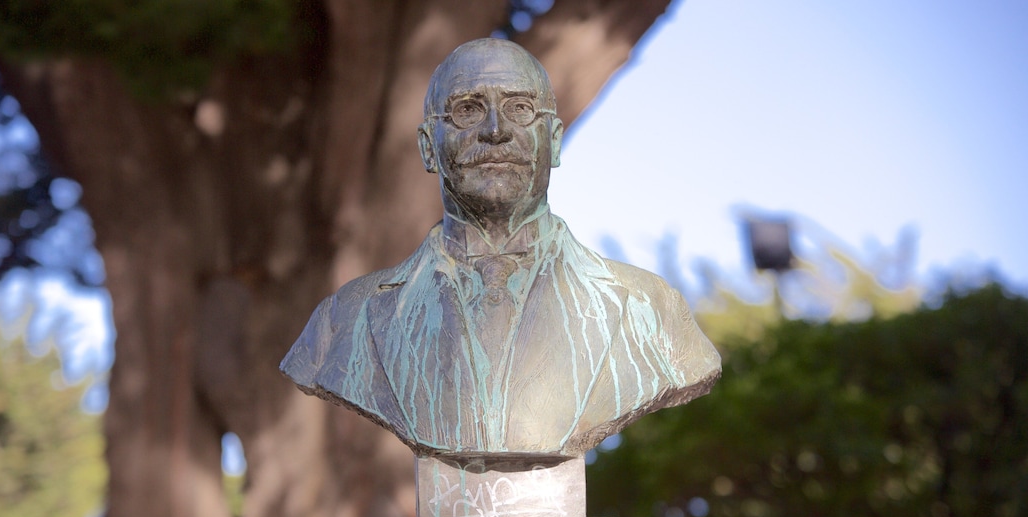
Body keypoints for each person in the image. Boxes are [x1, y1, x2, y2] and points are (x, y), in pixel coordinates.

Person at [281, 38, 720, 459]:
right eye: (467, 110)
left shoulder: (648, 307)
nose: (495, 130)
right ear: (427, 147)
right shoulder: (346, 319)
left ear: (555, 140)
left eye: (521, 109)